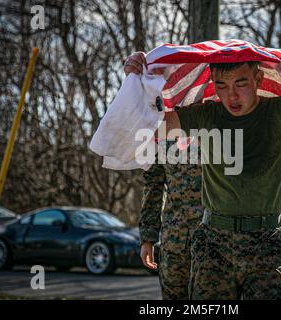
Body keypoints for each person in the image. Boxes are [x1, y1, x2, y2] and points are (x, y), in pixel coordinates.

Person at [124, 52, 281, 299]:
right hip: (213, 245)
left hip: (266, 244)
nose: (231, 95)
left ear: (258, 79)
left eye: (240, 83)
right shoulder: (205, 115)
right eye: (221, 85)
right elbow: (148, 127)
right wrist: (136, 82)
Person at [124, 54, 204, 300]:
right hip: (174, 241)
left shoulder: (215, 122)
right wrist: (148, 237)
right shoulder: (161, 132)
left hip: (213, 241)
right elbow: (154, 185)